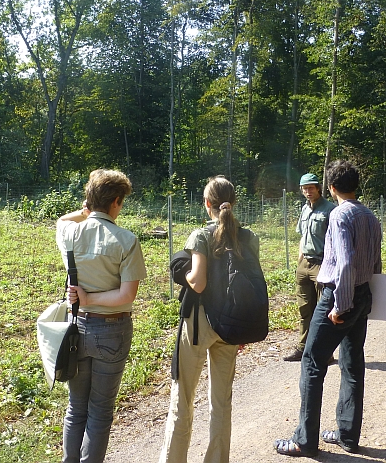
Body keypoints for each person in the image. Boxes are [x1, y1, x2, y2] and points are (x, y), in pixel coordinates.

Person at [274, 160, 382, 457]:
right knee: (352, 363)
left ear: (331, 187)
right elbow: (375, 261)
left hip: (340, 296)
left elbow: (344, 262)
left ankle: (304, 441)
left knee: (311, 362)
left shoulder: (338, 214)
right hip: (363, 293)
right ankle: (347, 435)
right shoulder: (370, 215)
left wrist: (340, 305)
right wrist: (366, 300)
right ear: (355, 185)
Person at [159, 176, 260, 463]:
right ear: (234, 202)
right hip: (231, 323)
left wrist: (184, 271)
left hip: (199, 323)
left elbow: (198, 282)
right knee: (221, 402)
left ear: (207, 203)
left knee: (183, 398)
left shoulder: (200, 236)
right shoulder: (249, 237)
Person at [55, 169, 147, 463]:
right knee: (100, 411)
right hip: (112, 330)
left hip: (77, 329)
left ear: (90, 200)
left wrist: (85, 212)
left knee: (76, 408)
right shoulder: (127, 240)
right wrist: (92, 298)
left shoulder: (70, 233)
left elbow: (61, 220)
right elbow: (126, 296)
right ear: (116, 201)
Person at [284, 173, 336, 362]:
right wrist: (299, 262)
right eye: (305, 188)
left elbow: (335, 240)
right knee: (305, 309)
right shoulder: (305, 209)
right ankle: (303, 348)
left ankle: (325, 352)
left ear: (318, 188)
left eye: (311, 188)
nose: (308, 191)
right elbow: (302, 237)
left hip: (322, 264)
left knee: (323, 310)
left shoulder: (330, 210)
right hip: (304, 264)